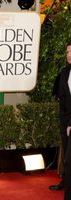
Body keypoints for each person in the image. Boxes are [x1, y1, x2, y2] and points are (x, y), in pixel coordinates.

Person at [49, 42, 71, 199]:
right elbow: (60, 95)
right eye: (67, 51)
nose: (69, 54)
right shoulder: (64, 72)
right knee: (66, 152)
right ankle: (66, 180)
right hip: (64, 118)